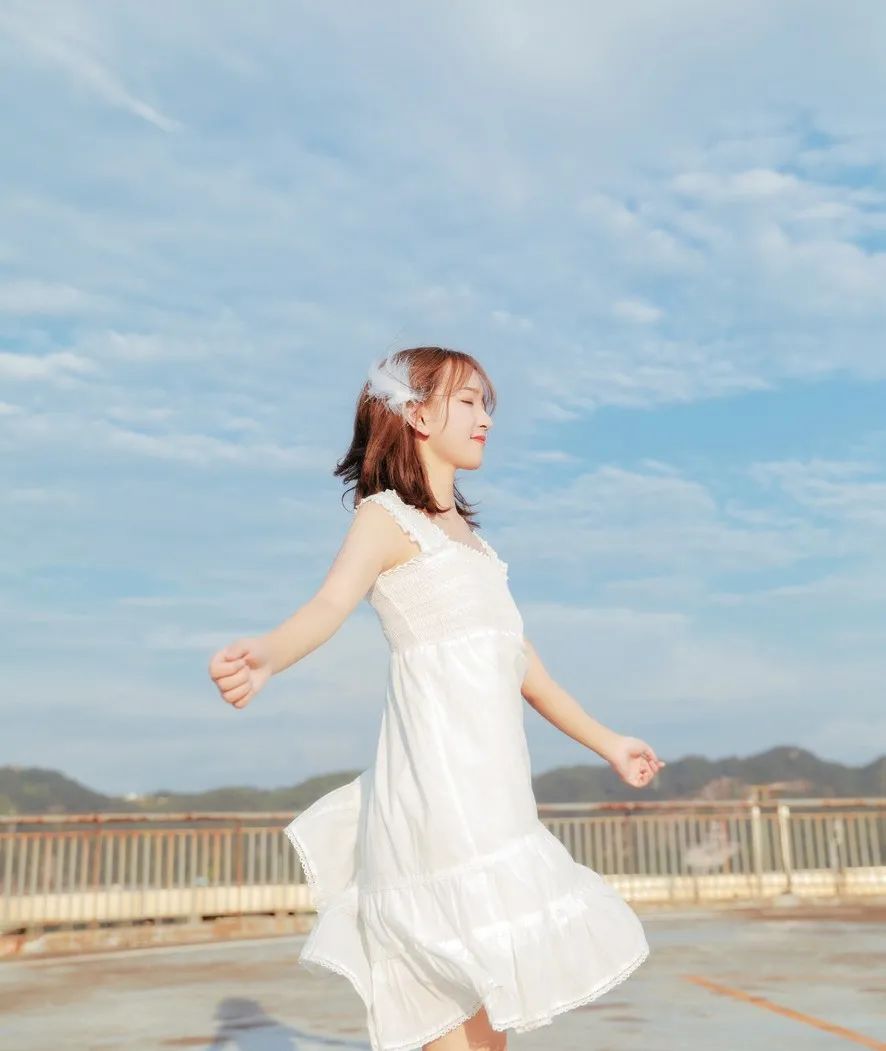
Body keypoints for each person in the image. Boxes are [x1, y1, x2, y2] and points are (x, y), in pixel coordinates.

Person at [208, 346, 666, 1051]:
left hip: (494, 802)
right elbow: (330, 604)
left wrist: (610, 741)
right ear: (418, 415)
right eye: (469, 401)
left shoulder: (476, 547)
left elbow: (525, 667)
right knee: (445, 1020)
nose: (486, 418)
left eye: (487, 404)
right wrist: (268, 653)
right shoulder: (386, 518)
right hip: (434, 798)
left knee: (489, 1029)